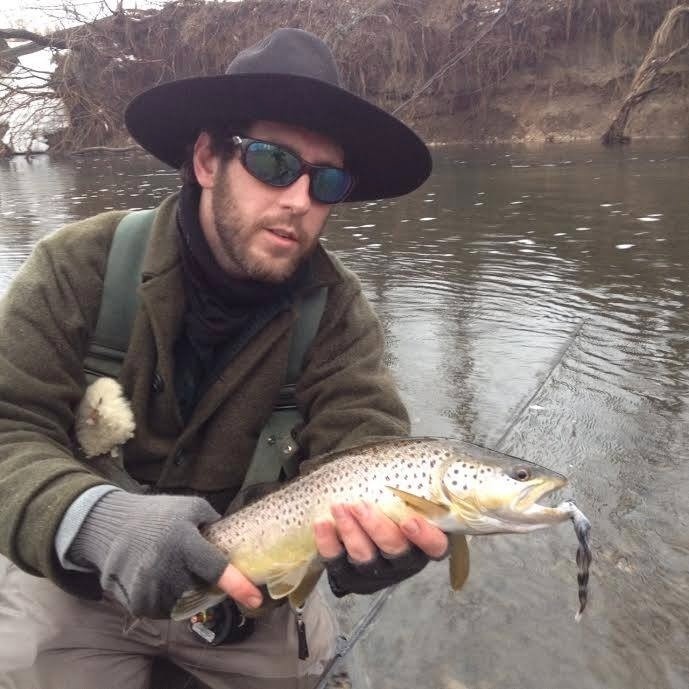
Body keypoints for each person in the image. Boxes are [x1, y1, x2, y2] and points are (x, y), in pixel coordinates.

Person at [0, 28, 448, 689]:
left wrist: (372, 552)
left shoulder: (340, 315)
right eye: (271, 162)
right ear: (207, 159)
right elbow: (9, 425)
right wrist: (94, 519)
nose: (298, 200)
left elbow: (364, 441)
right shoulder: (77, 265)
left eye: (325, 181)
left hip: (252, 594)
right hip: (84, 577)